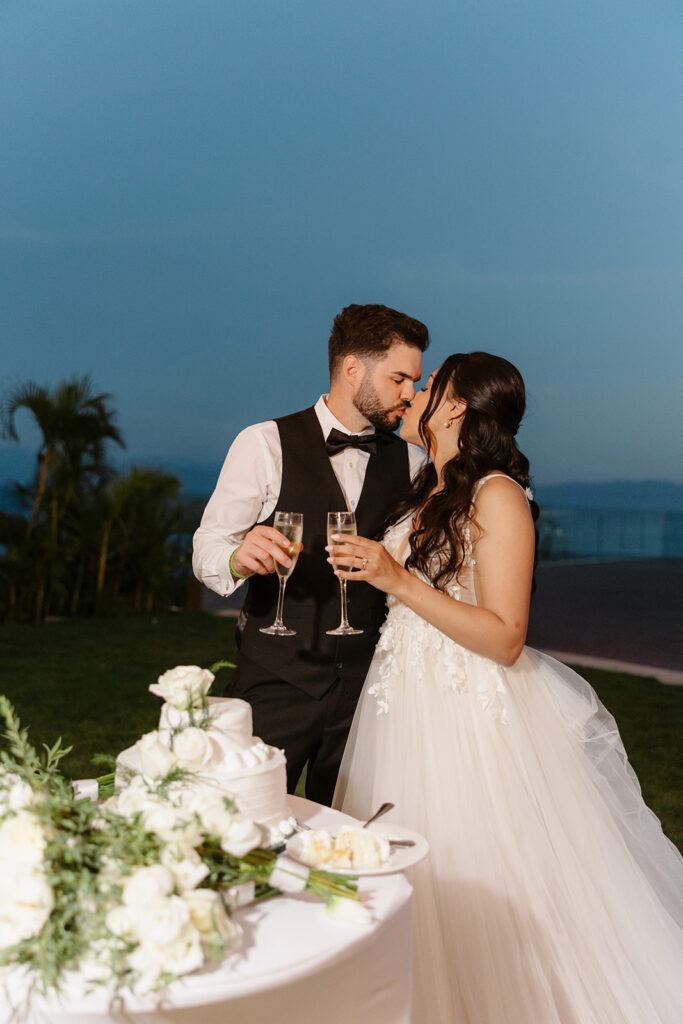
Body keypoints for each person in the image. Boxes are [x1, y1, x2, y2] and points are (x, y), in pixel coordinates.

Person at [331, 352, 683, 1024]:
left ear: (457, 405)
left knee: (477, 878)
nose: (414, 393)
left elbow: (504, 635)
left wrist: (395, 579)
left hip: (468, 717)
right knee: (404, 876)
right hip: (403, 707)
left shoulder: (495, 493)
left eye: (428, 385)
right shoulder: (424, 489)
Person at [192, 303, 429, 805]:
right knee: (244, 825)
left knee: (352, 845)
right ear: (352, 369)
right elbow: (208, 546)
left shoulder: (413, 462)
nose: (411, 394)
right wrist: (239, 556)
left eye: (415, 380)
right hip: (277, 680)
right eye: (399, 378)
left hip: (370, 694)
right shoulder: (263, 444)